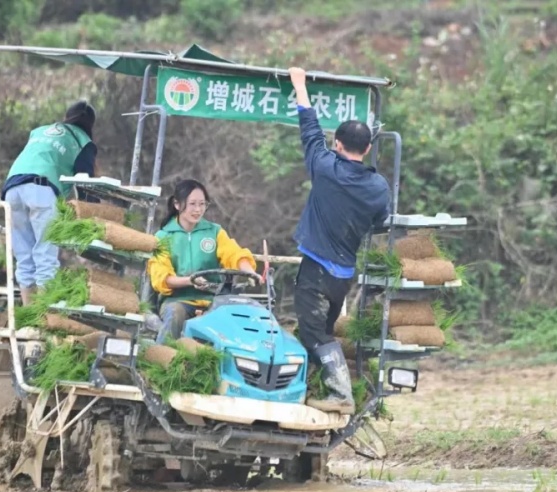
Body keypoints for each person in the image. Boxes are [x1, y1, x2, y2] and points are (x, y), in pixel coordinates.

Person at [288, 66, 392, 415]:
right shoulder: (378, 188)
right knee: (320, 331)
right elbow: (380, 223)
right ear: (367, 148)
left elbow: (308, 127)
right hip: (343, 277)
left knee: (315, 335)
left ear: (338, 144)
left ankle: (340, 393)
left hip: (316, 271)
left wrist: (299, 84)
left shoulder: (325, 168)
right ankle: (309, 386)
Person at [1, 100, 99, 304]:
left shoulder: (40, 131)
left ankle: (29, 318)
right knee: (45, 256)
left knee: (24, 257)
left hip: (11, 189)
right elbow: (85, 184)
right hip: (41, 190)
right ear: (90, 125)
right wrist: (94, 217)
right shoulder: (83, 141)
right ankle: (44, 320)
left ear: (67, 117)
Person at [147, 179, 262, 344]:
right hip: (178, 300)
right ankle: (161, 360)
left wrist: (249, 271)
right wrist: (189, 281)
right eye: (192, 204)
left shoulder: (214, 232)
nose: (198, 209)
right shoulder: (163, 237)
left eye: (202, 204)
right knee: (175, 314)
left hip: (214, 301)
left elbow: (234, 254)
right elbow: (162, 278)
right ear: (177, 205)